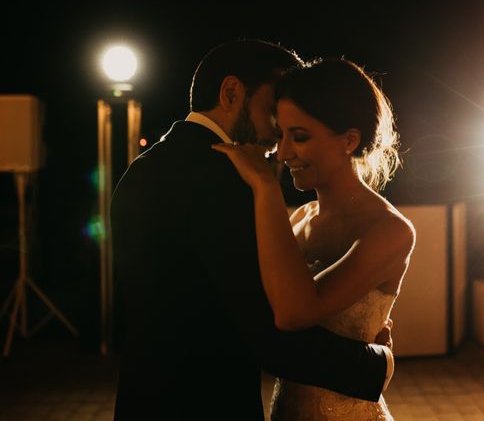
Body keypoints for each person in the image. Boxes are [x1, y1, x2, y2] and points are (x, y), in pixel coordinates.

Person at [110, 41, 394, 420]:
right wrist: (376, 364)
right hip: (208, 404)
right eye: (272, 108)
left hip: (142, 399)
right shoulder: (224, 182)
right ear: (231, 93)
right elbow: (269, 330)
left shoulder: (142, 169)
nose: (277, 131)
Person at [213, 57, 415, 420]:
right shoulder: (301, 218)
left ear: (349, 141)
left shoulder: (390, 230)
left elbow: (294, 313)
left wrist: (264, 185)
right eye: (281, 133)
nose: (282, 151)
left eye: (300, 137)